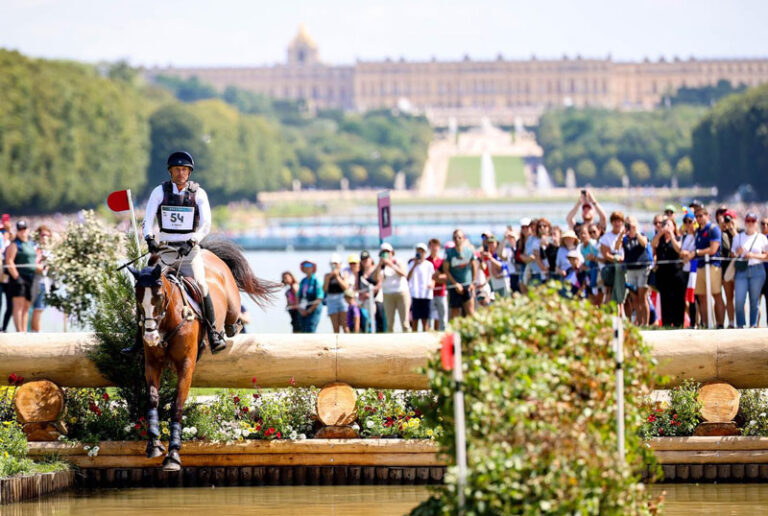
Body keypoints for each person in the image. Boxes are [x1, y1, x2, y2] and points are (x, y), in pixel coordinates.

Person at [140, 151, 227, 352]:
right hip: (166, 250)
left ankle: (213, 333)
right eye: (178, 169)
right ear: (170, 171)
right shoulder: (159, 192)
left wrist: (193, 240)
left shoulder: (199, 193)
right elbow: (147, 219)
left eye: (185, 170)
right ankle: (138, 338)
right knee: (147, 287)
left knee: (202, 286)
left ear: (189, 172)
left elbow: (206, 224)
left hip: (189, 252)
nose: (182, 173)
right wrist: (149, 238)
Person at [731, 212, 768, 328]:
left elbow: (766, 256)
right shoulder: (738, 237)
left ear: (756, 223)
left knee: (754, 300)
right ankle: (740, 324)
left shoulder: (762, 238)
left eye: (753, 221)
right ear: (745, 222)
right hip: (741, 270)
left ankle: (753, 325)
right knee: (739, 300)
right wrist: (738, 252)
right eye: (748, 221)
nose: (750, 223)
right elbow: (732, 254)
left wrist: (753, 256)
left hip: (757, 269)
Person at [693, 207, 725, 328]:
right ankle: (706, 324)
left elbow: (713, 249)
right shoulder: (698, 231)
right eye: (697, 217)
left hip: (713, 265)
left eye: (701, 216)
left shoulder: (713, 229)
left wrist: (696, 252)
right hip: (700, 265)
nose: (698, 219)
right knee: (701, 296)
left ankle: (720, 323)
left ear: (707, 215)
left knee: (716, 294)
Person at [652, 218, 685, 327]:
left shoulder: (678, 238)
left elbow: (678, 249)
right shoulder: (659, 239)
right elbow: (653, 244)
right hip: (663, 274)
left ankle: (678, 323)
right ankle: (666, 323)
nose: (667, 227)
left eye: (669, 225)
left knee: (677, 299)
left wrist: (672, 236)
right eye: (665, 225)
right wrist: (660, 233)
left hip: (676, 273)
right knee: (665, 299)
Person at [4, 221, 36, 332]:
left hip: (30, 277)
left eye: (24, 229)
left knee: (27, 305)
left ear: (28, 230)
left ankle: (24, 331)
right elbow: (9, 260)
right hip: (19, 277)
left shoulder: (31, 243)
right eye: (20, 230)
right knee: (18, 304)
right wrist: (16, 277)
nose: (22, 232)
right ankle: (19, 330)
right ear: (17, 231)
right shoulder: (15, 244)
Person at [620, 216, 651, 325]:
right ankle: (639, 321)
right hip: (631, 270)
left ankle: (646, 322)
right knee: (634, 298)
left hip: (642, 269)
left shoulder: (641, 235)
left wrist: (635, 232)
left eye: (631, 223)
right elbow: (616, 247)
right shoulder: (625, 239)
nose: (629, 226)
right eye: (627, 223)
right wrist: (622, 233)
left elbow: (644, 243)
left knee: (643, 297)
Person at [375, 243, 410, 332]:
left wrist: (391, 265)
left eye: (388, 252)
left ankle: (409, 341)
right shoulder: (381, 265)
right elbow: (376, 279)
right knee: (389, 323)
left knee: (405, 322)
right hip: (387, 294)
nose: (386, 254)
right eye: (383, 252)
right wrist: (380, 265)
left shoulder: (398, 261)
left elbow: (403, 273)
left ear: (392, 253)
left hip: (401, 292)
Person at [443, 229, 477, 320]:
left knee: (470, 311)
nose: (457, 239)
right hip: (454, 286)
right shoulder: (449, 252)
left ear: (463, 238)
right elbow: (446, 269)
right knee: (455, 313)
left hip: (467, 285)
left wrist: (473, 283)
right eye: (455, 237)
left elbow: (474, 266)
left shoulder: (469, 251)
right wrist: (455, 283)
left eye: (459, 237)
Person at [598, 212, 626, 304]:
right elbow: (606, 254)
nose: (617, 223)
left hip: (624, 267)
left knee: (625, 295)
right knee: (609, 291)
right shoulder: (606, 237)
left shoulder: (626, 236)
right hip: (611, 267)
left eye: (619, 221)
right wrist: (616, 259)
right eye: (615, 221)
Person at [407, 243, 435, 332]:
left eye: (422, 251)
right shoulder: (412, 263)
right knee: (415, 320)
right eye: (418, 250)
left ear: (425, 252)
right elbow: (408, 277)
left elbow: (433, 277)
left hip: (426, 295)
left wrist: (432, 284)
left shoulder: (429, 264)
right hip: (415, 295)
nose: (420, 253)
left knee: (425, 321)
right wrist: (415, 264)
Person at [30, 225, 53, 333]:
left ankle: (36, 330)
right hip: (36, 280)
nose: (45, 237)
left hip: (46, 281)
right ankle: (36, 331)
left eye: (48, 235)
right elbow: (35, 265)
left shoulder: (49, 249)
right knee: (37, 308)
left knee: (40, 308)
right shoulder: (36, 248)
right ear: (38, 235)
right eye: (43, 235)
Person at [719, 210, 737, 327]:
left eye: (730, 219)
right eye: (726, 219)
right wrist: (722, 228)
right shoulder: (721, 234)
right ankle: (731, 322)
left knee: (740, 299)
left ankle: (741, 322)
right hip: (726, 269)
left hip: (739, 269)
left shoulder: (739, 233)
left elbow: (741, 244)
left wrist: (733, 230)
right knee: (729, 297)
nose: (727, 222)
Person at [323, 253, 351, 333]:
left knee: (345, 325)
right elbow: (325, 289)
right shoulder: (327, 275)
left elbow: (345, 287)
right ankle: (336, 343)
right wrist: (330, 277)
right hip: (331, 299)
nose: (334, 265)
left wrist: (337, 276)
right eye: (332, 264)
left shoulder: (344, 274)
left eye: (336, 263)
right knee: (335, 327)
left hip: (342, 299)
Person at [359, 250, 385, 333]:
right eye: (363, 260)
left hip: (377, 299)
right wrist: (363, 294)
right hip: (365, 300)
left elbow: (379, 284)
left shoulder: (376, 270)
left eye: (367, 259)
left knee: (379, 317)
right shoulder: (360, 273)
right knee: (365, 320)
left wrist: (370, 293)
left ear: (370, 259)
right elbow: (357, 287)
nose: (365, 261)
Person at [297, 260, 324, 333]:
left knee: (311, 328)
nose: (307, 268)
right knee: (303, 329)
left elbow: (320, 297)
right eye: (305, 266)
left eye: (309, 266)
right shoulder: (303, 281)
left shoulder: (317, 280)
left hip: (314, 308)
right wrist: (301, 309)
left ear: (313, 268)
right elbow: (298, 296)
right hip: (303, 308)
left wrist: (309, 310)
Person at [426, 239, 448, 331]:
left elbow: (446, 276)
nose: (434, 248)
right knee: (429, 317)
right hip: (428, 294)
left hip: (441, 292)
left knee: (442, 316)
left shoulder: (442, 261)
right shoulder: (426, 261)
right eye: (432, 246)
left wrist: (435, 278)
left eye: (436, 246)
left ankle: (442, 334)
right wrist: (437, 277)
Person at [578, 225, 601, 305]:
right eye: (581, 234)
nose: (583, 236)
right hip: (588, 272)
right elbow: (585, 260)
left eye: (585, 233)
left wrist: (593, 259)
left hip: (596, 271)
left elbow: (601, 258)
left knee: (597, 295)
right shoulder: (581, 247)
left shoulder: (594, 244)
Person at [1, 215, 13, 332]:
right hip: (1, 276)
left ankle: (4, 328)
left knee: (10, 305)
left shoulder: (12, 241)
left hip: (8, 277)